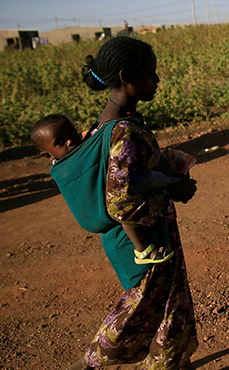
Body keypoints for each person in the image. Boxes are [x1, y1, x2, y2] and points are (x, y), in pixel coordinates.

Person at [65, 36, 199, 370]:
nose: (157, 81)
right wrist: (172, 186)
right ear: (127, 77)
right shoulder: (124, 129)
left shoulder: (109, 123)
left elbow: (130, 172)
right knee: (140, 307)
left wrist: (164, 167)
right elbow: (121, 197)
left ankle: (169, 362)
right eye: (151, 74)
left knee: (171, 302)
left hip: (150, 234)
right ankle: (90, 363)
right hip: (143, 241)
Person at [30, 114, 196, 266]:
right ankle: (142, 249)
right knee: (124, 210)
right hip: (110, 208)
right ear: (47, 155)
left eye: (72, 134)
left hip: (120, 207)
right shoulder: (63, 168)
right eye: (60, 142)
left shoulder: (84, 149)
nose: (70, 142)